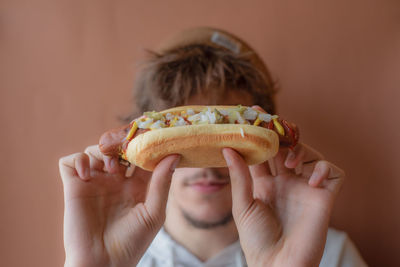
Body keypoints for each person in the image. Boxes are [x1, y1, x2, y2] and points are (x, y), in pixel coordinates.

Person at [59, 27, 367, 267]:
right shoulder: (111, 253)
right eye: (183, 135)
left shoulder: (330, 254)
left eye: (227, 134)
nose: (207, 164)